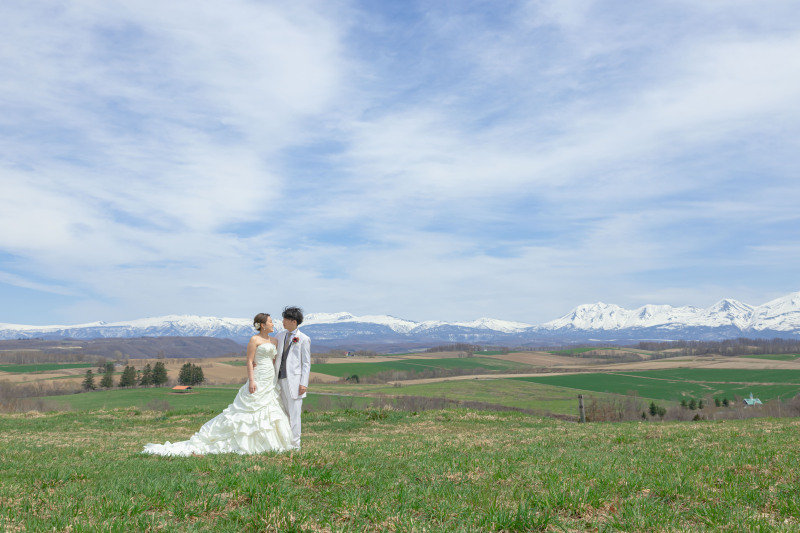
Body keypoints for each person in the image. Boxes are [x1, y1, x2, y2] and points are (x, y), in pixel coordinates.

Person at [142, 313, 295, 456]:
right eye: (270, 322)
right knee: (251, 406)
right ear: (262, 325)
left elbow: (274, 361)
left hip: (270, 377)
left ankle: (269, 441)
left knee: (271, 406)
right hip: (258, 375)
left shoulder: (275, 341)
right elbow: (249, 361)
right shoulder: (254, 340)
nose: (273, 324)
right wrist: (252, 380)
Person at [274, 306, 311, 449]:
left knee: (295, 415)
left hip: (295, 382)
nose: (283, 321)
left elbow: (306, 363)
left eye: (285, 319)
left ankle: (295, 445)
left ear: (294, 321)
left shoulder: (304, 339)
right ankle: (284, 443)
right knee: (283, 413)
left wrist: (304, 383)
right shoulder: (279, 336)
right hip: (278, 379)